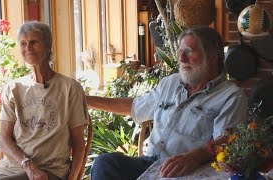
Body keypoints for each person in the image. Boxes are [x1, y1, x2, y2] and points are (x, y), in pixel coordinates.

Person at [87, 26, 247, 179]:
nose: (181, 58)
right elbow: (136, 107)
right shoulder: (170, 83)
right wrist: (86, 100)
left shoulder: (231, 96)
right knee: (105, 163)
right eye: (181, 51)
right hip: (150, 164)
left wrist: (194, 158)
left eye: (189, 51)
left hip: (192, 171)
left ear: (212, 58)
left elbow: (227, 141)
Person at [0, 21, 88, 180]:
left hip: (51, 171)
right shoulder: (13, 88)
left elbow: (79, 145)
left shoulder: (70, 88)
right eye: (23, 43)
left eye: (34, 42)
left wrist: (72, 178)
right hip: (13, 170)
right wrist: (28, 165)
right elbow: (3, 141)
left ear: (48, 46)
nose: (28, 47)